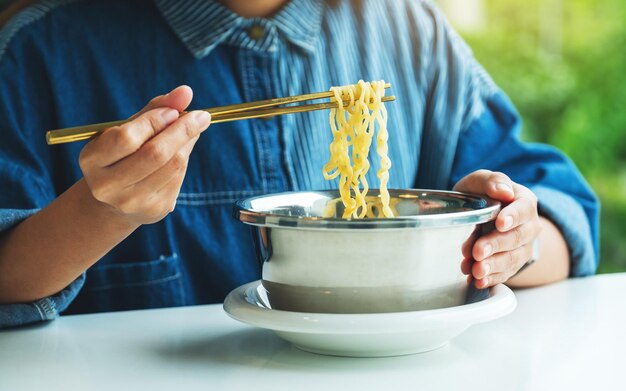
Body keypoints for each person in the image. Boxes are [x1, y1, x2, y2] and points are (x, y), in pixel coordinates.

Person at [0, 0, 599, 328]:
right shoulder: (44, 46)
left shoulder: (410, 28)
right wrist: (99, 211)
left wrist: (514, 241)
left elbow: (566, 227)